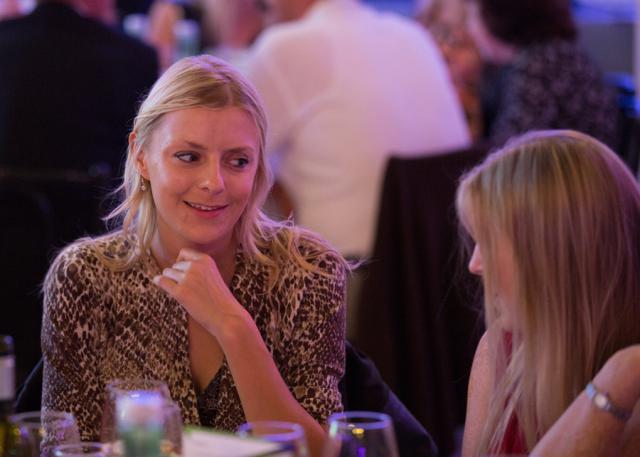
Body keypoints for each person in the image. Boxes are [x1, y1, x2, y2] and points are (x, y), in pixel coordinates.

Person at [42, 55, 348, 457]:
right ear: (141, 155)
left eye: (237, 161)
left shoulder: (307, 271)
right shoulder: (85, 277)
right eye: (188, 156)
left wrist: (233, 326)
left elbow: (321, 454)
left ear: (257, 168)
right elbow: (63, 449)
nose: (213, 183)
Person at [456, 130, 640, 456]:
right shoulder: (500, 354)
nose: (475, 264)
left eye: (490, 242)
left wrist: (621, 378)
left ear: (554, 258)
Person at [245, 0, 470, 260]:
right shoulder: (412, 35)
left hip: (345, 278)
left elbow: (222, 148)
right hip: (445, 268)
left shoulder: (286, 46)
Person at [467, 0, 619, 148]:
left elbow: (511, 150)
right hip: (575, 164)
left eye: (474, 16)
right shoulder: (554, 51)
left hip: (573, 168)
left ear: (499, 17)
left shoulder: (540, 64)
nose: (470, 29)